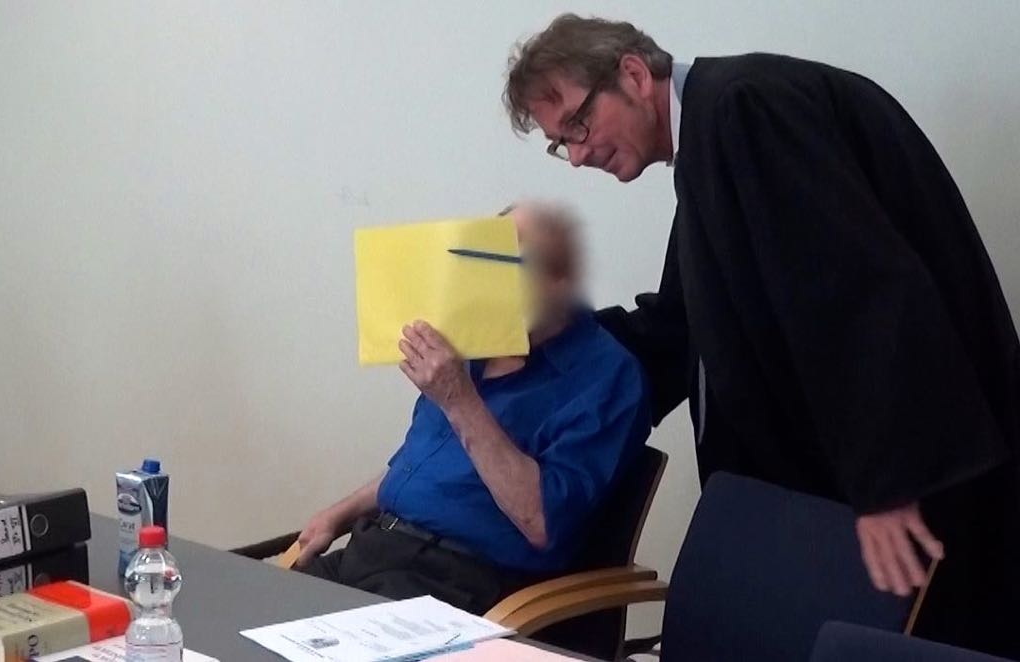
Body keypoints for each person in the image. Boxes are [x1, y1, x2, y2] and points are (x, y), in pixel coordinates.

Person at [502, 14, 1020, 655]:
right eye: (562, 144)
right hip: (846, 484)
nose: (578, 156)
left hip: (913, 477)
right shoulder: (714, 134)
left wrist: (886, 484)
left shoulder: (748, 109)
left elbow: (860, 290)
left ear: (633, 75)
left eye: (577, 125)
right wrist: (544, 344)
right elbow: (677, 325)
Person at [294, 203, 651, 615]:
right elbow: (420, 467)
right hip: (370, 549)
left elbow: (542, 523)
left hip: (454, 581)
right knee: (245, 618)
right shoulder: (469, 344)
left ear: (560, 280)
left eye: (514, 263)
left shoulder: (606, 378)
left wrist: (459, 399)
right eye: (487, 261)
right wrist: (339, 513)